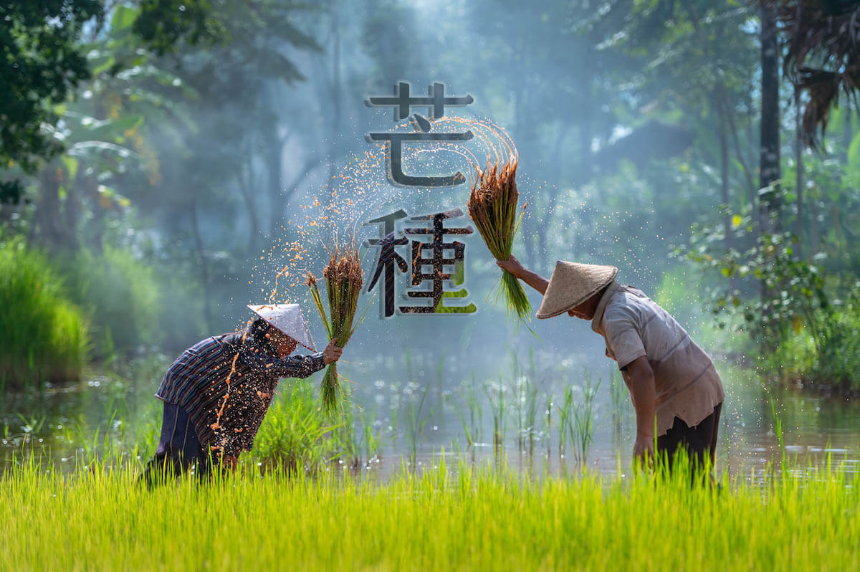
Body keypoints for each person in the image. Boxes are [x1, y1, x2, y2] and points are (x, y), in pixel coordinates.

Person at [496, 256, 725, 471]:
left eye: (571, 305)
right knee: (692, 483)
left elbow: (642, 374)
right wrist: (523, 273)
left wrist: (644, 437)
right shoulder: (624, 296)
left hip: (684, 397)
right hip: (703, 383)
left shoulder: (616, 317)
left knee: (681, 485)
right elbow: (565, 294)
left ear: (587, 296)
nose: (570, 313)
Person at [142, 304, 342, 484]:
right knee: (181, 453)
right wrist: (320, 360)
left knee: (219, 464)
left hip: (213, 400)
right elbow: (276, 367)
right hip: (187, 384)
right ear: (273, 333)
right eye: (289, 340)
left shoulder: (267, 369)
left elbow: (253, 410)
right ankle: (142, 494)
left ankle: (208, 513)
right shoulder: (249, 344)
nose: (292, 347)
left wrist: (234, 448)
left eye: (294, 343)